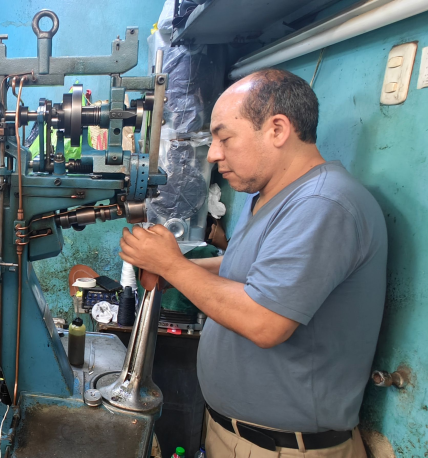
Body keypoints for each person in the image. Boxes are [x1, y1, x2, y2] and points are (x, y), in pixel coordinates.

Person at [120, 69, 386, 457]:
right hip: (238, 435)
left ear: (278, 129)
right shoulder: (268, 195)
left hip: (283, 448)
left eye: (224, 138)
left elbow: (265, 321)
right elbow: (243, 270)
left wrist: (174, 266)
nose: (213, 153)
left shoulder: (323, 205)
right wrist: (172, 270)